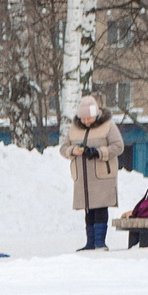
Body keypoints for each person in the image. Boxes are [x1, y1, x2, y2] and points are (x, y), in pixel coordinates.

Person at [61, 94, 124, 251]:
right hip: (83, 177)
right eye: (83, 118)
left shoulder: (108, 126)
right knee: (88, 209)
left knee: (100, 207)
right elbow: (63, 148)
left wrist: (98, 152)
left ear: (96, 114)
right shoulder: (74, 129)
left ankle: (100, 242)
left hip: (102, 175)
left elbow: (118, 146)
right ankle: (90, 242)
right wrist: (73, 150)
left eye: (89, 118)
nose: (86, 121)